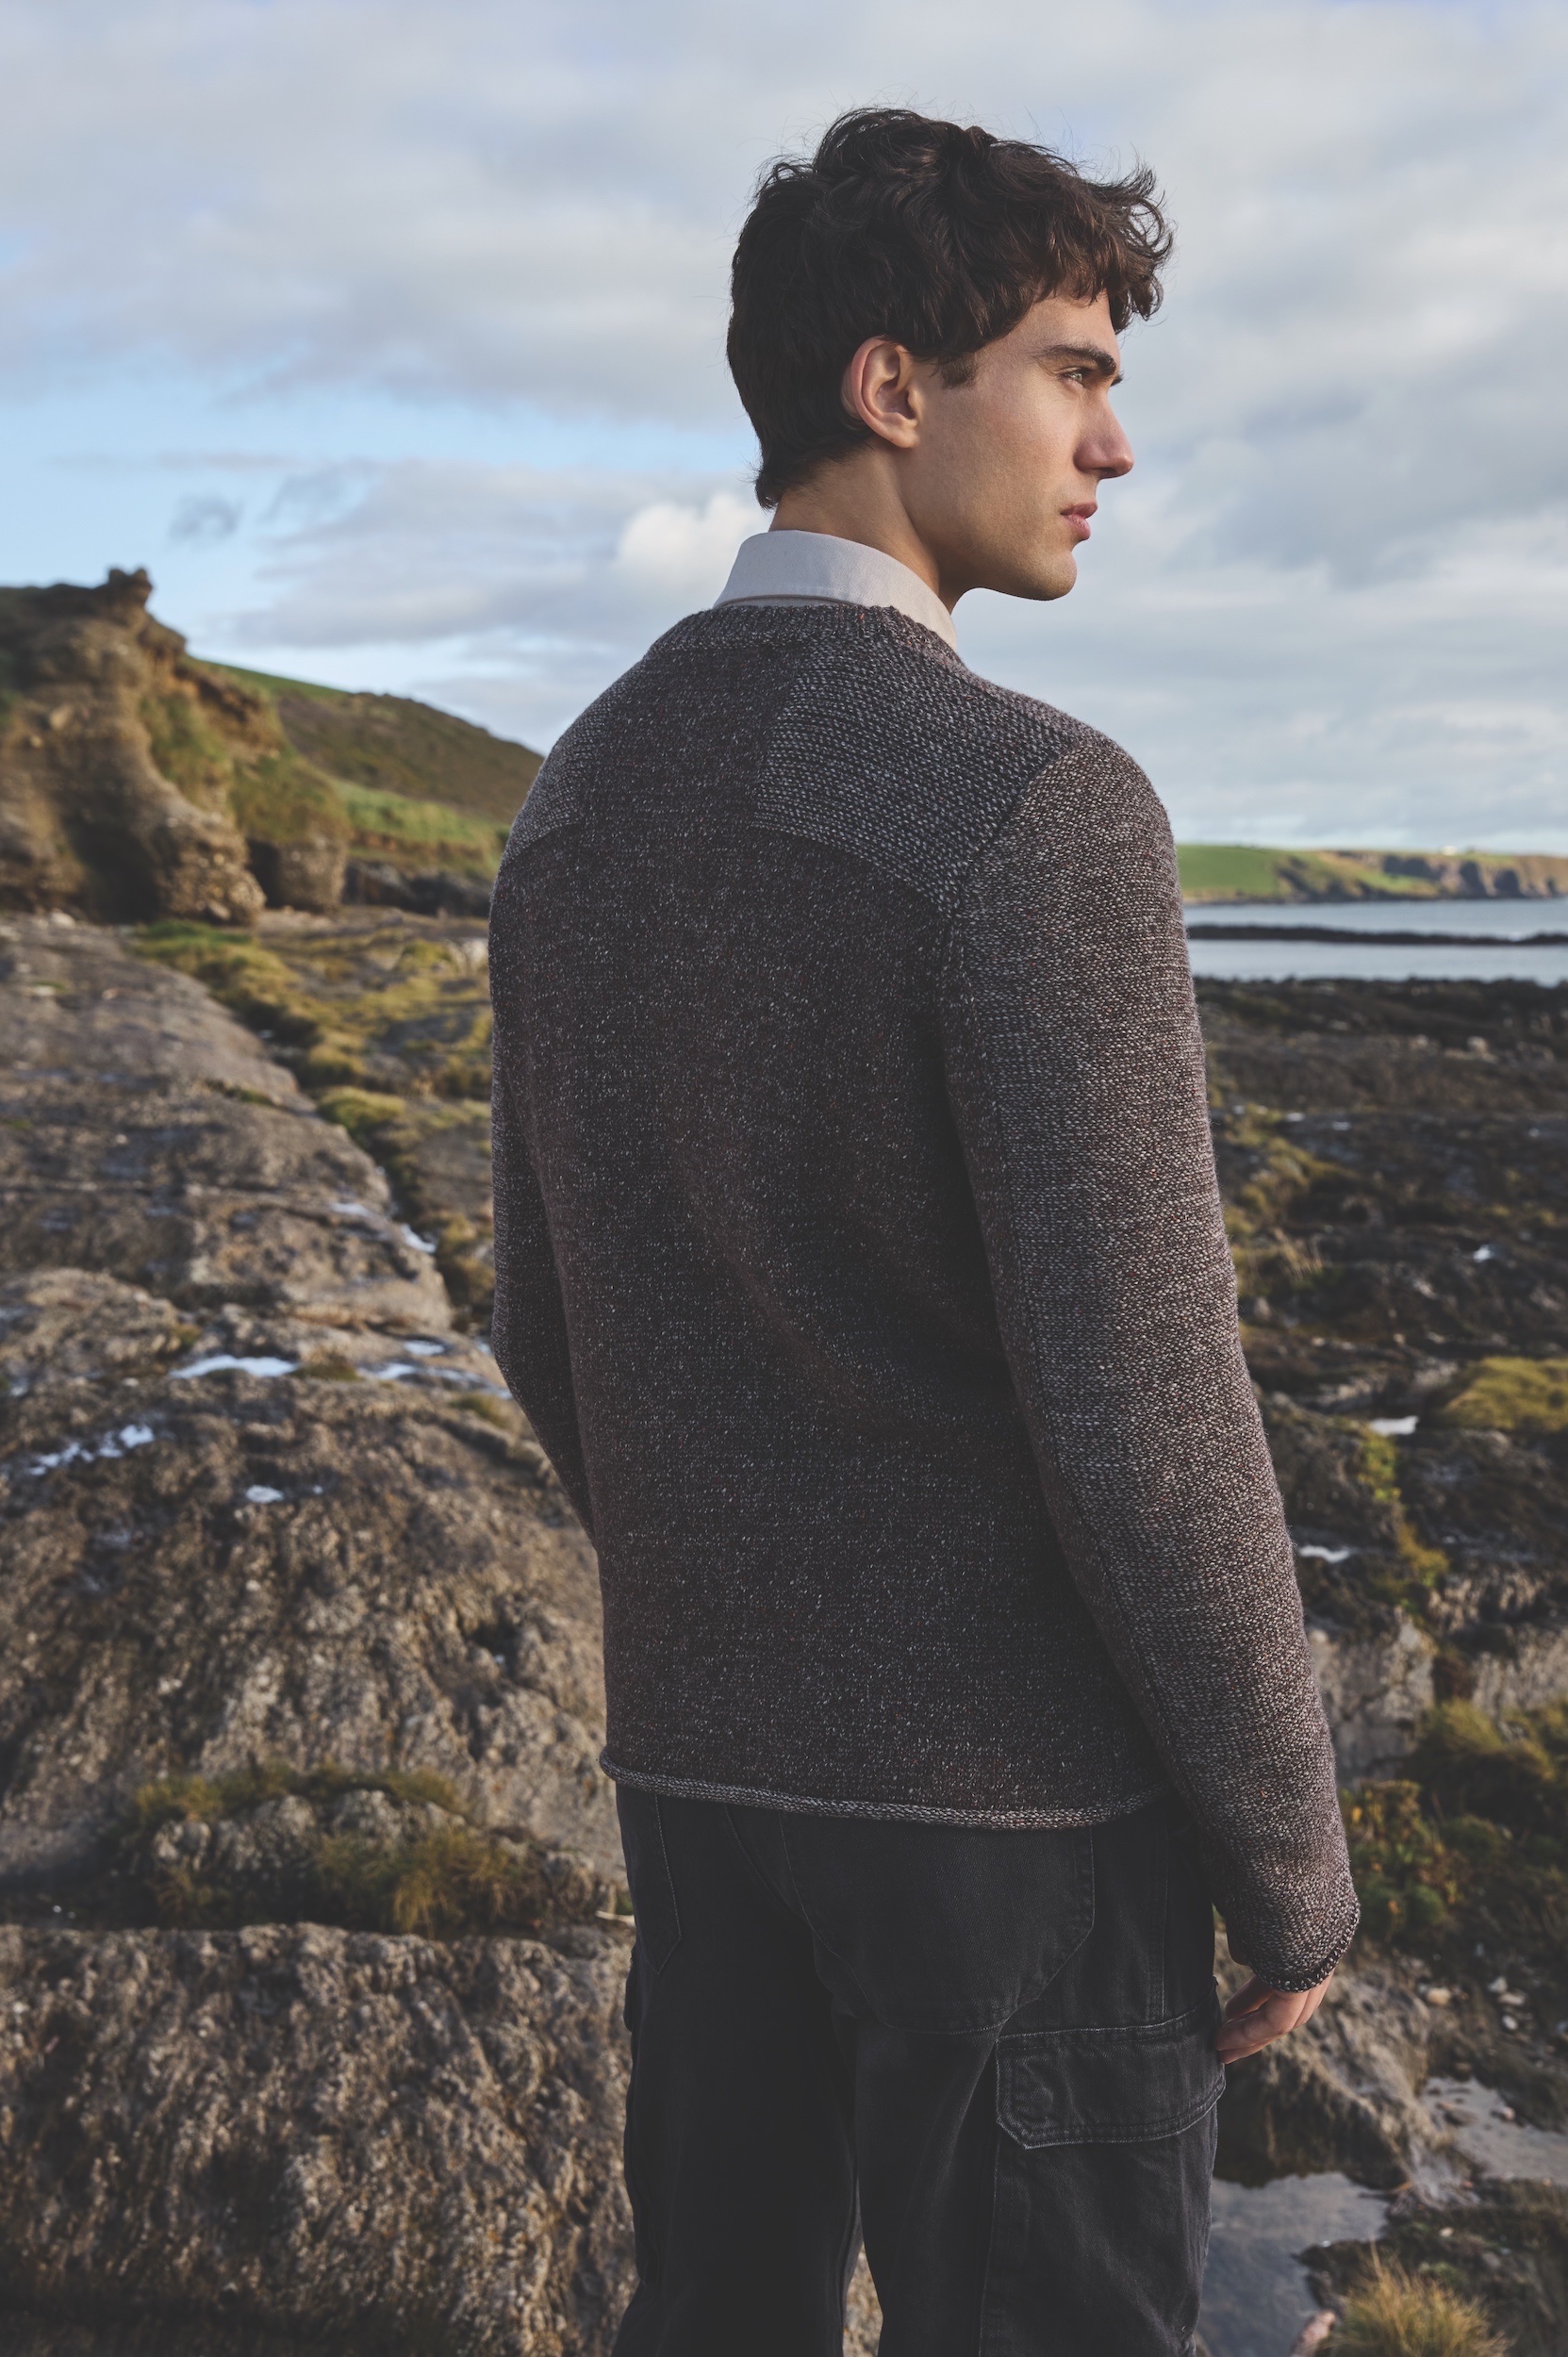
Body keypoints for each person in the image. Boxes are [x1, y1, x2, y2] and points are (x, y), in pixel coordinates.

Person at [487, 107, 1357, 2357]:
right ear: (894, 386)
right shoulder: (1035, 807)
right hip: (1020, 1836)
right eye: (1073, 372)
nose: (1114, 443)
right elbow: (1146, 1407)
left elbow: (545, 1316)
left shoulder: (575, 801)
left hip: (704, 1790)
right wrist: (1291, 1856)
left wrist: (742, 1610)